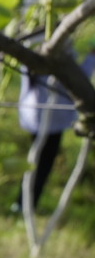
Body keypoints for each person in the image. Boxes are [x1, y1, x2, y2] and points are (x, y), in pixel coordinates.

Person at [14, 48, 95, 212]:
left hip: (36, 113)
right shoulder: (62, 54)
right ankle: (24, 204)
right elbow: (79, 77)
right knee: (42, 163)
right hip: (50, 117)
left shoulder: (36, 48)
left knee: (36, 160)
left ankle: (23, 203)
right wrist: (91, 58)